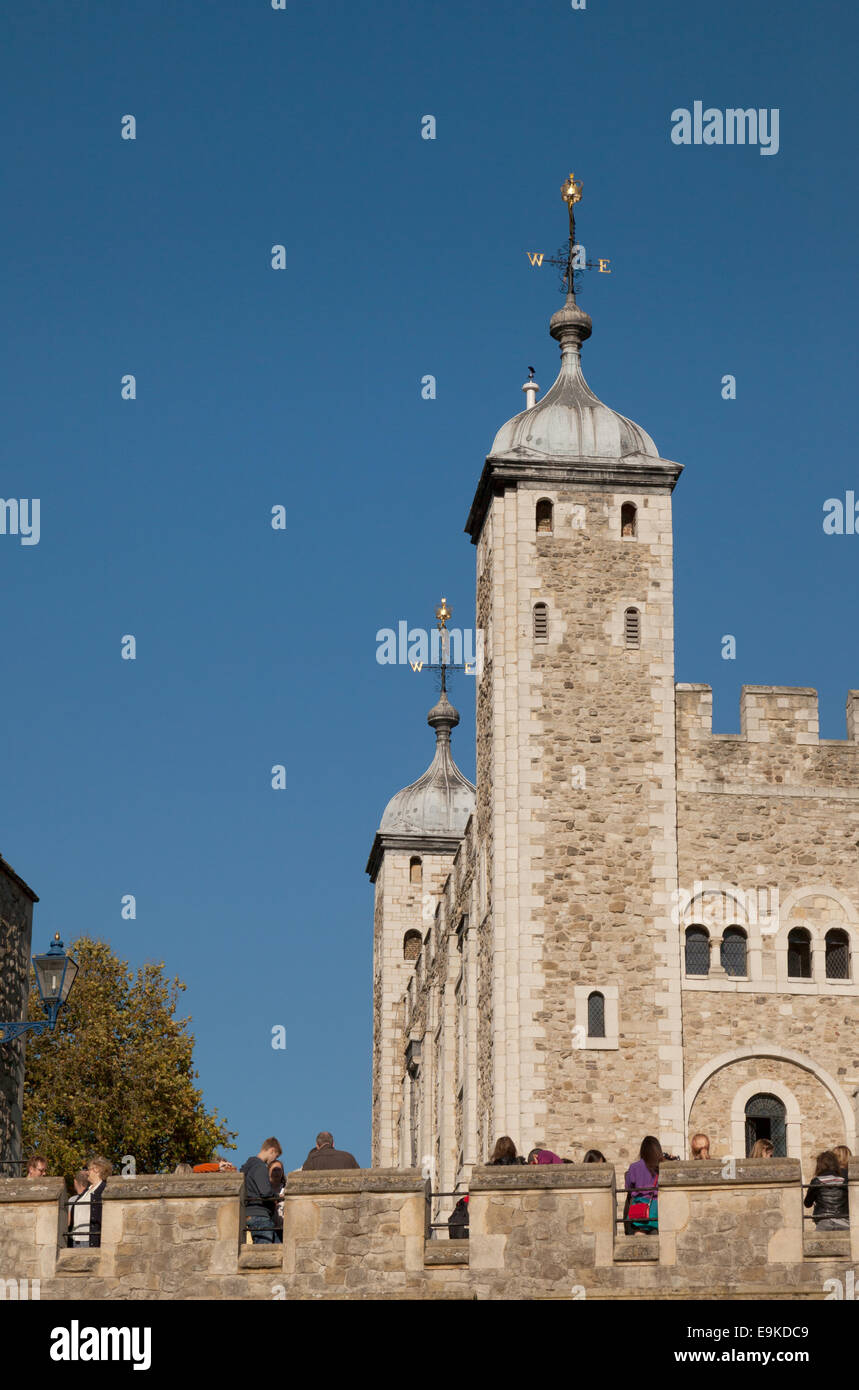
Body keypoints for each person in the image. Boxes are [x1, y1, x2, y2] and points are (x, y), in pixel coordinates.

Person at [241, 1138, 282, 1243]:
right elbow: (265, 1192)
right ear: (271, 1150)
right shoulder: (260, 1167)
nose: (274, 1160)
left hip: (249, 1213)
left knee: (277, 1247)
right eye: (275, 1156)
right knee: (265, 1254)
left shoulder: (247, 1167)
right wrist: (277, 1196)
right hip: (260, 1216)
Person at [624, 1137, 662, 1234]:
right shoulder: (662, 1167)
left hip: (638, 1209)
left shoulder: (634, 1167)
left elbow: (628, 1188)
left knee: (638, 1239)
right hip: (656, 1210)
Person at [804, 1151, 849, 1230]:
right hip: (843, 1220)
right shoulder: (844, 1181)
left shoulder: (816, 1181)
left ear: (819, 1165)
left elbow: (807, 1204)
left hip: (823, 1221)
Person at [85, 1157, 112, 1248]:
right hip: (77, 1239)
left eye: (89, 1169)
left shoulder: (104, 1190)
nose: (87, 1172)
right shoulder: (87, 1189)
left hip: (90, 1240)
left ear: (96, 1170)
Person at [67, 1170, 91, 1246]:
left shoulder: (72, 1200)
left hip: (76, 1239)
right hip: (91, 1237)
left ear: (75, 1182)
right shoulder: (93, 1197)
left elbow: (68, 1222)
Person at [268, 1157, 285, 1243]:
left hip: (283, 1227)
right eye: (274, 1169)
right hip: (268, 1226)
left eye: (279, 1170)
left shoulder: (286, 1188)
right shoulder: (265, 1189)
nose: (277, 1172)